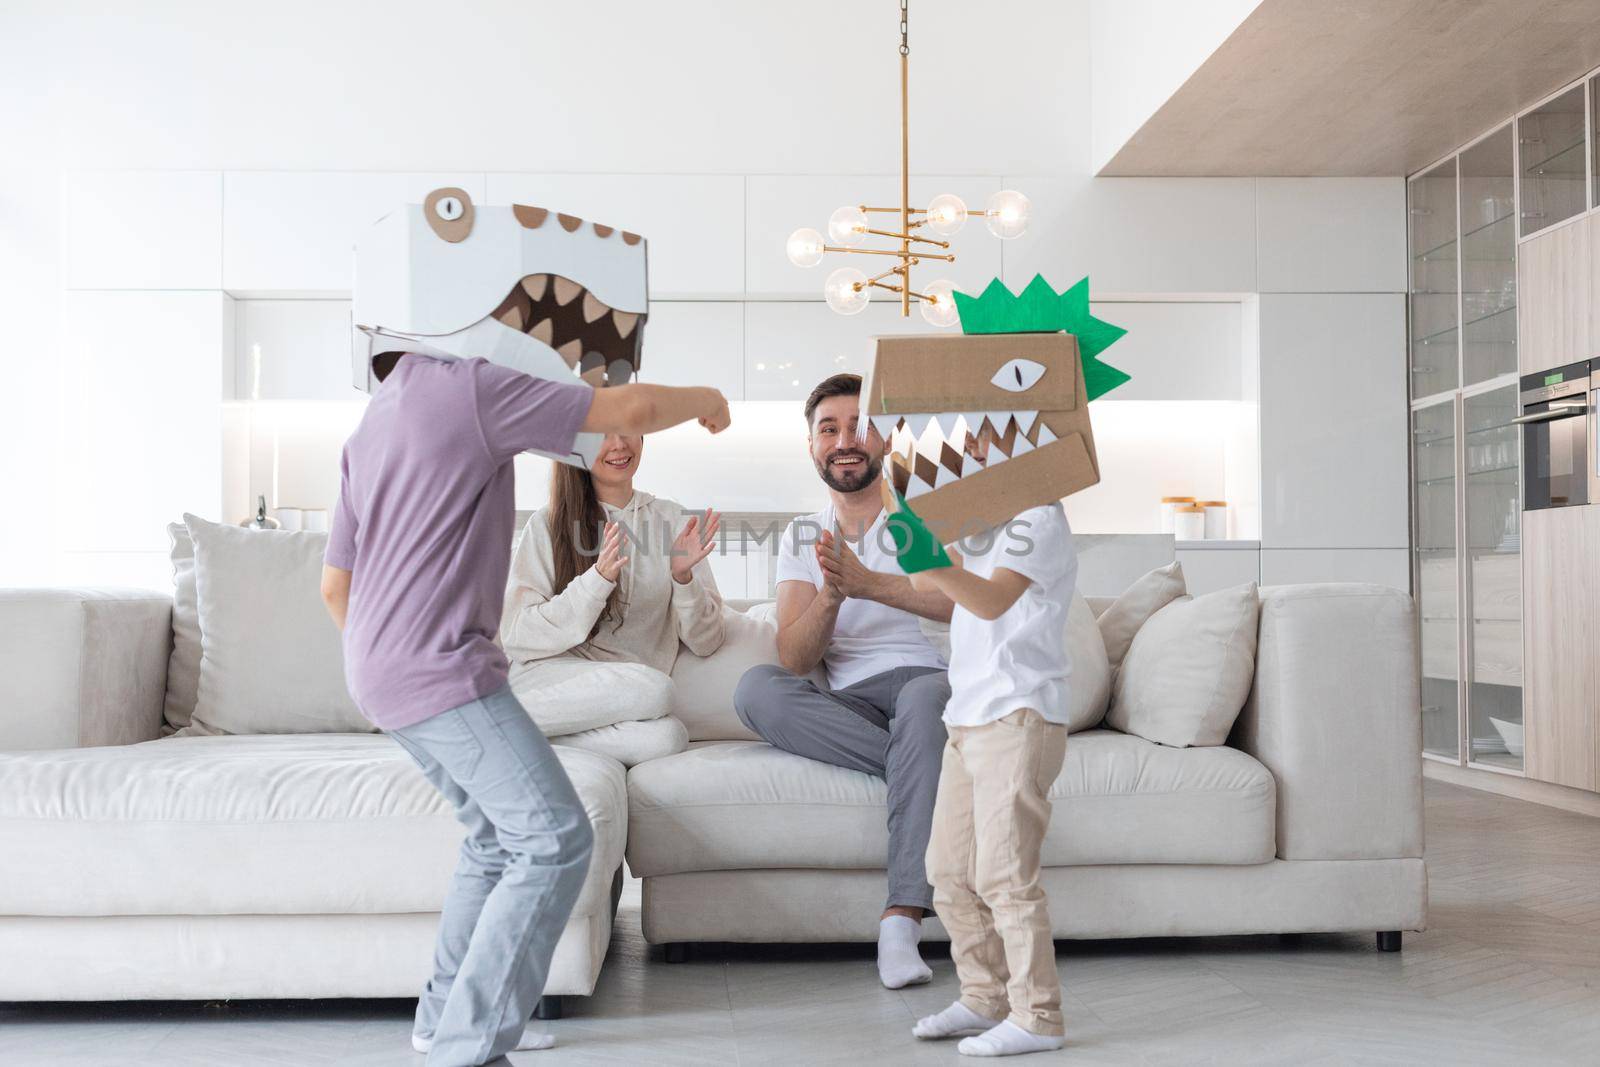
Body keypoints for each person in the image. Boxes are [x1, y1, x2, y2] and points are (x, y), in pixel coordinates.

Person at [319, 351, 728, 1067]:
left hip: (378, 672)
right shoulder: (468, 384)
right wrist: (709, 395)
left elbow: (334, 588)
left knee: (493, 839)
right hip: (441, 667)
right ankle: (467, 1047)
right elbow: (627, 410)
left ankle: (442, 1017)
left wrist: (385, 658)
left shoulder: (375, 418)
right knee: (556, 838)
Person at [733, 372, 953, 990]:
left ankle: (902, 919)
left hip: (927, 684)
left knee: (925, 699)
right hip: (850, 705)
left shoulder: (919, 517)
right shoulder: (804, 536)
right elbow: (795, 657)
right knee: (756, 688)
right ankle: (920, 768)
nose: (845, 439)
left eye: (859, 426)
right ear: (812, 447)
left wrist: (869, 582)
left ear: (886, 439)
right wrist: (832, 592)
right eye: (829, 428)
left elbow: (959, 605)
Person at [905, 423, 1078, 1058]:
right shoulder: (979, 517)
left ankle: (1039, 1017)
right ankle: (984, 996)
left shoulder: (1039, 517)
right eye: (967, 437)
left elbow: (987, 601)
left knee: (1004, 874)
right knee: (947, 872)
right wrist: (918, 530)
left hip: (1019, 713)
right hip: (969, 715)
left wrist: (931, 554)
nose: (969, 448)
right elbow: (926, 584)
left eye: (985, 437)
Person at [500, 432, 725, 736]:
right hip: (551, 679)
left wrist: (682, 578)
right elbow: (517, 636)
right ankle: (496, 720)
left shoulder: (673, 520)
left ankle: (518, 730)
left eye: (627, 428)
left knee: (667, 737)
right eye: (602, 433)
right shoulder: (547, 523)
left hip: (627, 696)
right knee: (657, 690)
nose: (619, 444)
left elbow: (707, 641)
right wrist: (598, 580)